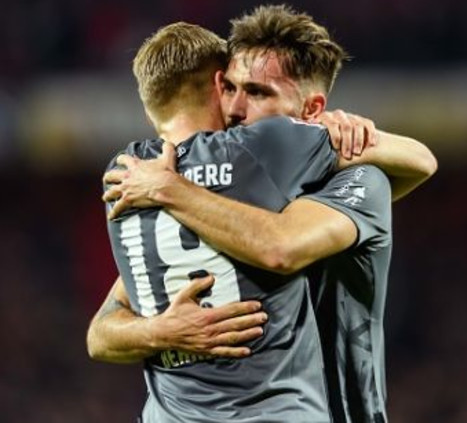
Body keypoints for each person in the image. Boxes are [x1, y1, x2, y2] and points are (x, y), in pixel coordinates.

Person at [89, 7, 436, 423]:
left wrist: (169, 188)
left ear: (312, 111)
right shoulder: (216, 192)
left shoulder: (359, 182)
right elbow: (102, 330)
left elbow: (279, 245)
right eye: (229, 88)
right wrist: (159, 330)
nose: (234, 108)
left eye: (256, 93)